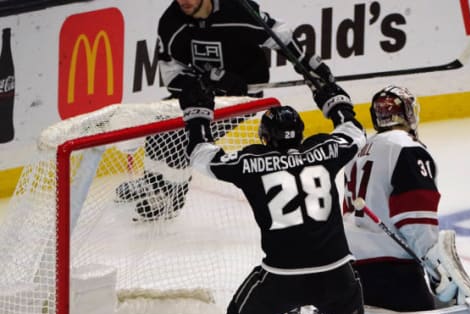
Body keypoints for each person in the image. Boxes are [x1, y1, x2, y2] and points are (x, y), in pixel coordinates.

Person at [184, 80, 396, 314]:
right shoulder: (323, 149)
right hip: (337, 270)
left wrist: (198, 116)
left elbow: (201, 156)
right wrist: (333, 99)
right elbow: (354, 130)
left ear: (264, 137)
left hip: (283, 276)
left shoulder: (251, 162)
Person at [116, 0, 333, 221]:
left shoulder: (237, 11)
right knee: (160, 123)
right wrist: (208, 79)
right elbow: (172, 76)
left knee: (181, 138)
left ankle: (170, 198)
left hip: (239, 99)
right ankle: (153, 183)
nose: (184, 1)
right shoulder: (171, 21)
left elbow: (280, 35)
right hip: (202, 91)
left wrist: (307, 65)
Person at [343, 85, 459, 311]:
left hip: (350, 271)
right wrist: (437, 270)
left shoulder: (359, 150)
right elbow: (416, 220)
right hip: (393, 272)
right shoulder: (407, 148)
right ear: (407, 113)